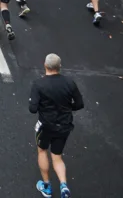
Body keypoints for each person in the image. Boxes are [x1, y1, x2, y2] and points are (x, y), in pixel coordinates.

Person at [30, 53, 83, 198]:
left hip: (46, 126)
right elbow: (79, 104)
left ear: (45, 65)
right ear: (59, 67)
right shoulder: (70, 83)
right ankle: (64, 185)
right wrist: (66, 109)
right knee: (57, 156)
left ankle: (46, 187)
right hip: (64, 125)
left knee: (42, 151)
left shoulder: (38, 84)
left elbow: (32, 108)